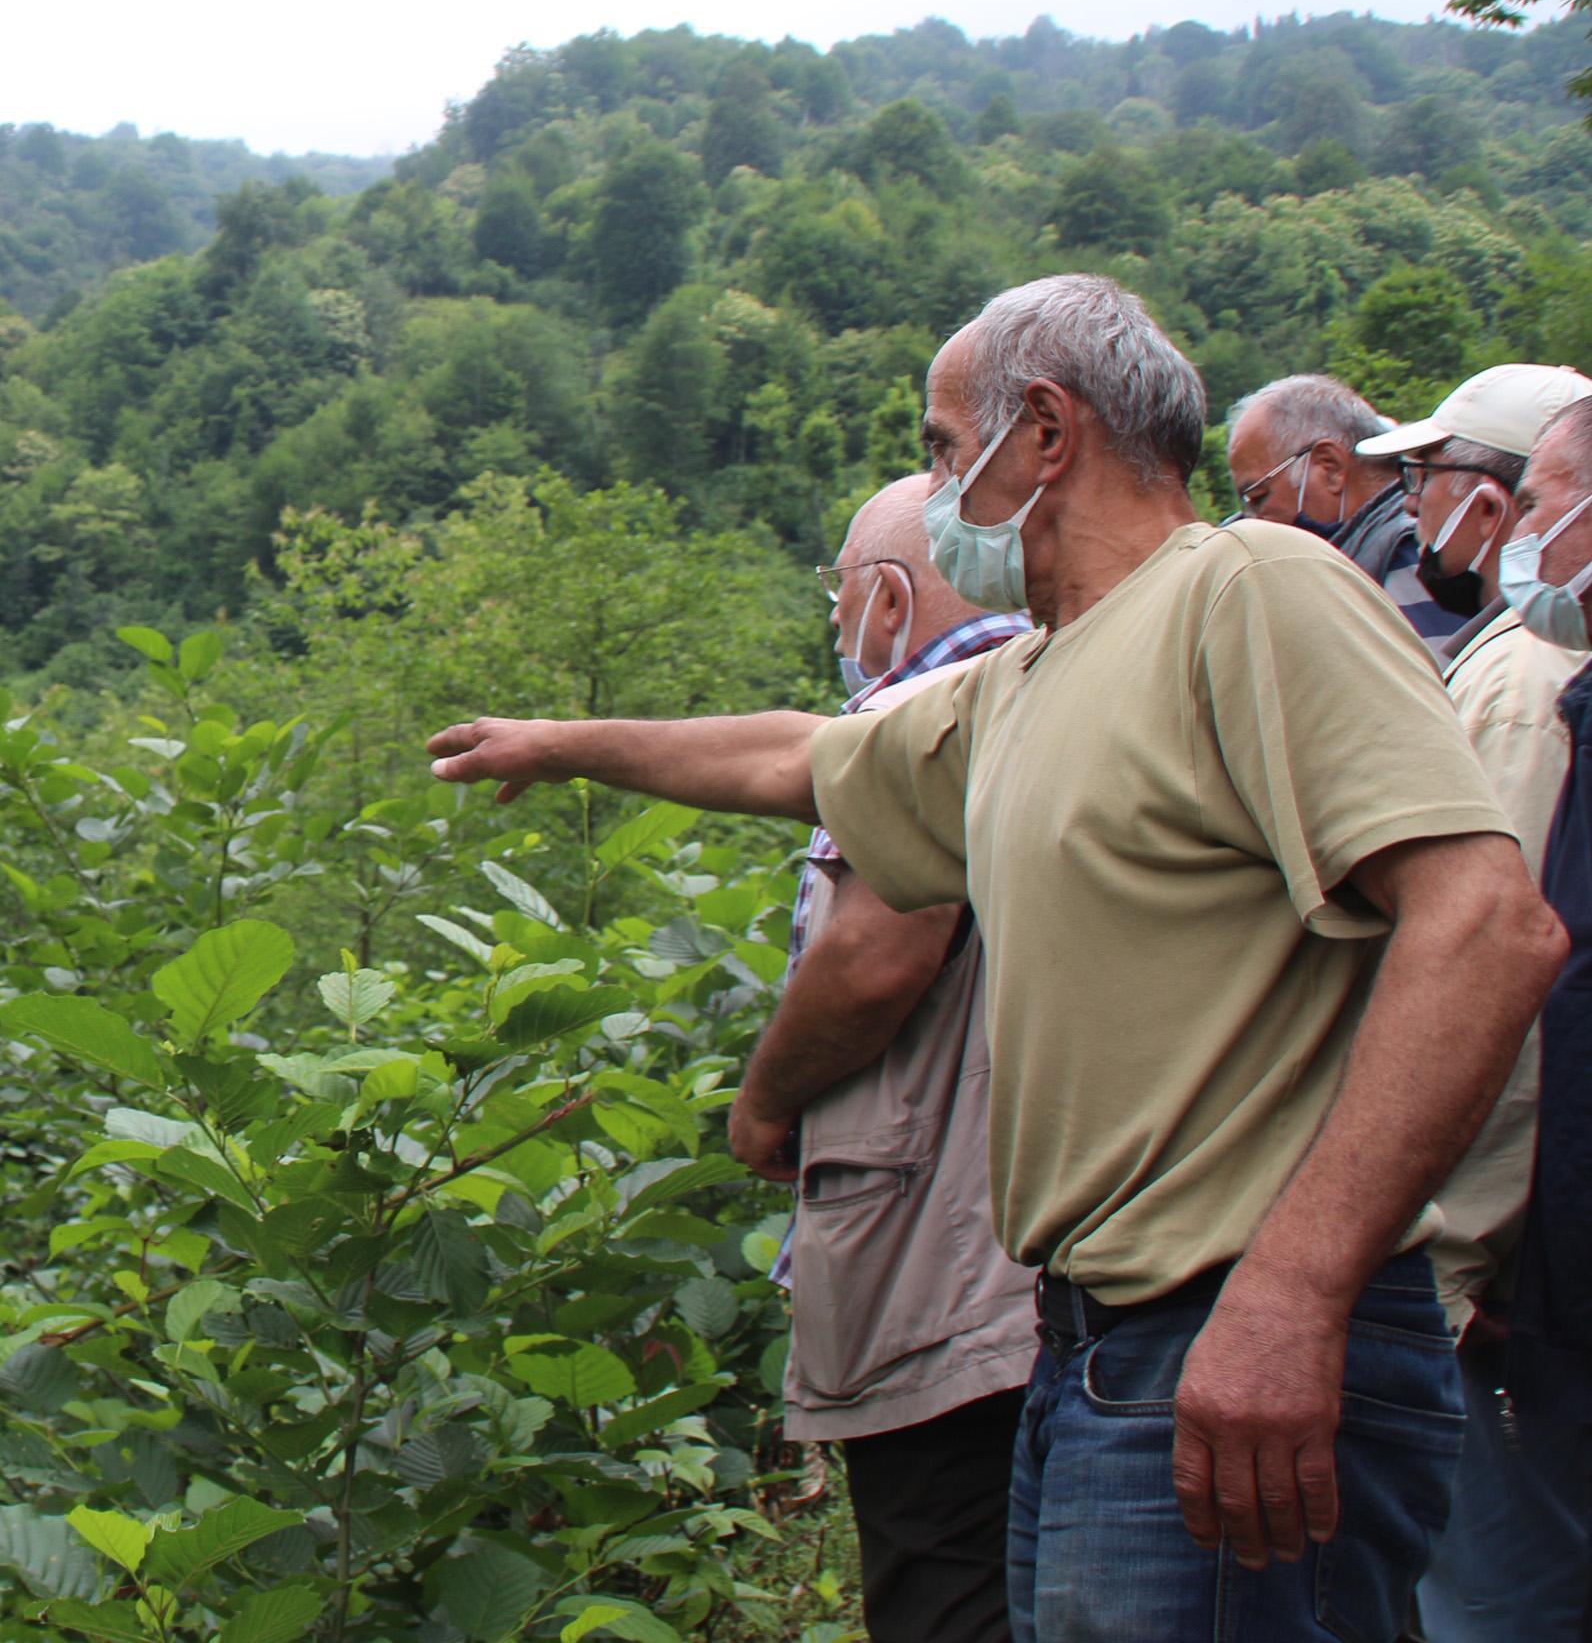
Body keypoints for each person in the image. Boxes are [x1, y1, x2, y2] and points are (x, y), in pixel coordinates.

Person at [427, 274, 1562, 1642]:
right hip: (1096, 1351)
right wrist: (564, 744)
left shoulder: (1254, 594)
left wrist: (1295, 1289)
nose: (934, 480)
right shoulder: (1033, 675)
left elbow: (1487, 927)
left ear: (1044, 431)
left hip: (1230, 1332)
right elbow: (804, 752)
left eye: (940, 445)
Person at [754, 474, 1034, 1643]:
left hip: (947, 1273)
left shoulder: (929, 717)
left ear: (883, 593)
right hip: (1038, 1265)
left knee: (944, 1582)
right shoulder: (1049, 690)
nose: (833, 623)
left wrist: (764, 1108)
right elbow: (767, 753)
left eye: (838, 590)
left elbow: (877, 951)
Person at [1352, 365, 1592, 1640]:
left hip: (1499, 1255)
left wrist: (1475, 1238)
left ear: (1499, 506)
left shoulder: (1520, 680)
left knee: (1498, 1589)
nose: (1410, 506)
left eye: (1427, 478)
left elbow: (1497, 968)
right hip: (1530, 1238)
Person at [1227, 373, 1468, 644]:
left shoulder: (1408, 555)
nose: (1253, 522)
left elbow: (1440, 681)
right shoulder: (1383, 546)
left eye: (1258, 497)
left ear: (1330, 468)